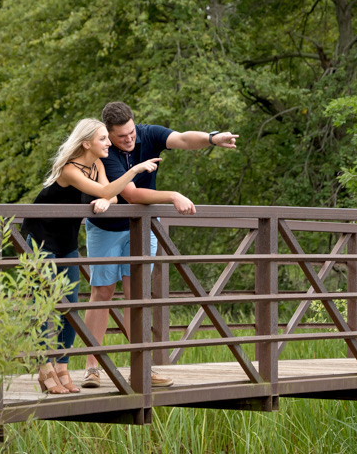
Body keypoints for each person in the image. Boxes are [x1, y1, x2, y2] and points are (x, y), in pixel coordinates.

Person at [82, 101, 238, 388]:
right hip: (106, 228)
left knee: (137, 295)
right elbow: (130, 194)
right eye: (121, 136)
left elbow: (181, 139)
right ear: (108, 133)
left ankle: (141, 368)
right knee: (101, 292)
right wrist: (173, 195)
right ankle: (93, 367)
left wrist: (212, 138)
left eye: (131, 133)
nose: (128, 139)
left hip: (141, 228)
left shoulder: (147, 134)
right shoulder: (103, 151)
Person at [21, 118, 160, 394]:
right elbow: (109, 189)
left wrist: (107, 200)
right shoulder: (71, 169)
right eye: (103, 139)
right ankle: (44, 368)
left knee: (70, 308)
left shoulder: (96, 164)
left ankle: (62, 367)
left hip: (66, 243)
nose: (109, 143)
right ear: (86, 143)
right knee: (45, 306)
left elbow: (113, 196)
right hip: (40, 241)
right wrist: (134, 171)